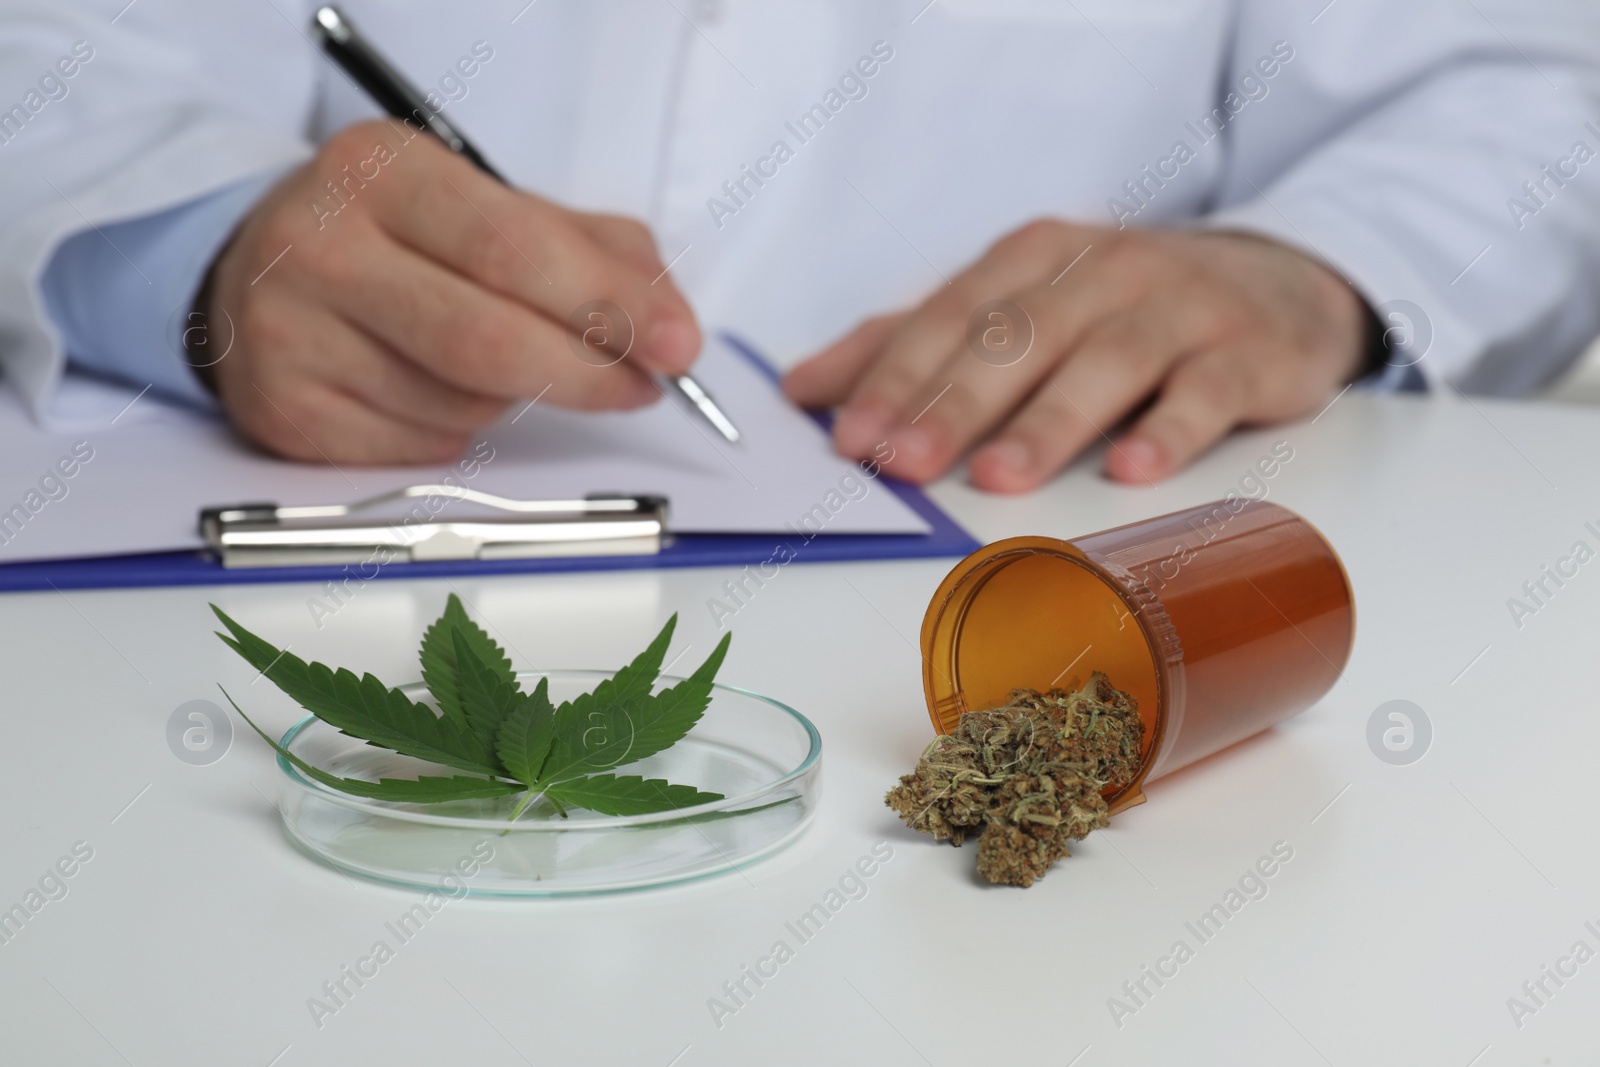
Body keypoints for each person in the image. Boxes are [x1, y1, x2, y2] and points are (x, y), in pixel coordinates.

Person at [3, 1, 1598, 493]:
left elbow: (1532, 85)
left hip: (1058, 549)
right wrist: (197, 250)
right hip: (251, 569)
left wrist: (1310, 264)